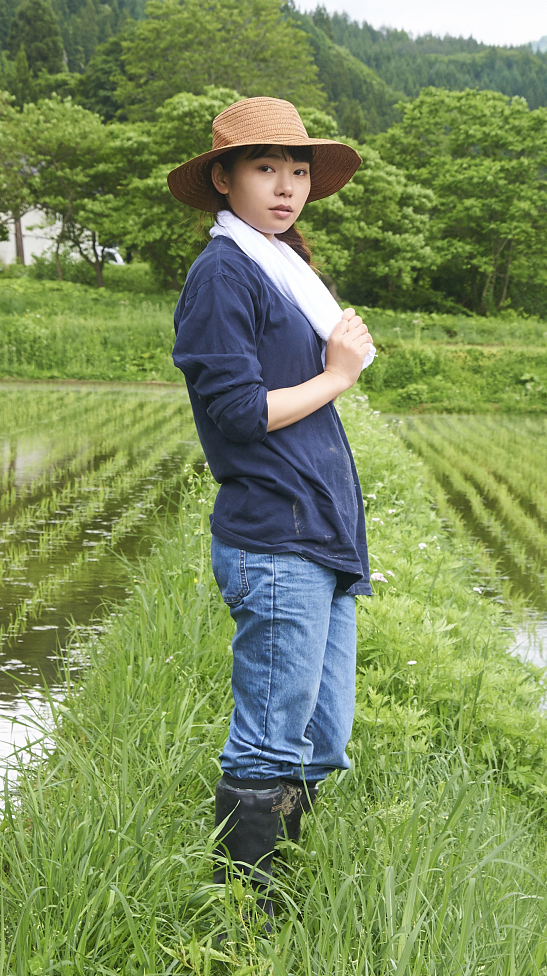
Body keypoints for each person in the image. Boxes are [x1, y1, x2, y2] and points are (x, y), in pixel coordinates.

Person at [167, 96, 376, 913]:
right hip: (275, 537)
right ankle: (240, 923)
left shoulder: (284, 267)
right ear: (224, 179)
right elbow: (238, 410)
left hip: (318, 538)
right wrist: (336, 375)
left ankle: (274, 895)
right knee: (269, 739)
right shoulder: (225, 272)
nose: (287, 187)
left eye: (298, 171)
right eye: (266, 168)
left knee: (322, 741)